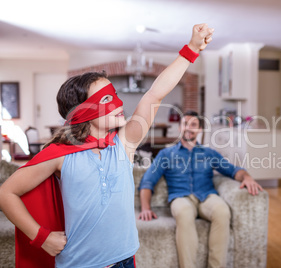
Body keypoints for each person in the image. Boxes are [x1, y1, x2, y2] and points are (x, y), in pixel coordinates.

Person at [0, 23, 214, 268]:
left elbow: (154, 94)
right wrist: (41, 237)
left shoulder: (123, 144)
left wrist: (191, 49)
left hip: (125, 261)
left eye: (114, 94)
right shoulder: (59, 155)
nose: (118, 102)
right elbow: (6, 193)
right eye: (106, 99)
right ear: (83, 112)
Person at [138, 110, 263, 268]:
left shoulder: (209, 153)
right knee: (184, 212)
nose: (189, 128)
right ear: (179, 127)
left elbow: (232, 170)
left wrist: (247, 177)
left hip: (207, 196)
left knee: (222, 211)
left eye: (194, 125)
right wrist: (145, 208)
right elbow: (147, 181)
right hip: (180, 197)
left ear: (199, 130)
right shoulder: (166, 154)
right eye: (185, 124)